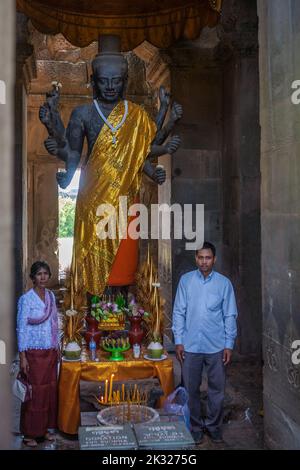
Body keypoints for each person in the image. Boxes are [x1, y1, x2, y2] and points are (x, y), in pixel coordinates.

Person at [39, 34, 182, 308]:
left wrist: (166, 128)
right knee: (92, 260)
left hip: (126, 200)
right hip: (92, 199)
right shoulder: (83, 114)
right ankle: (91, 315)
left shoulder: (136, 114)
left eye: (116, 81)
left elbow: (142, 150)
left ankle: (123, 314)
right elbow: (72, 153)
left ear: (125, 82)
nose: (110, 87)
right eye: (103, 81)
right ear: (93, 81)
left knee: (124, 260)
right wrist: (55, 140)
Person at [172, 241, 238, 444]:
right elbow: (178, 312)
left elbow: (230, 315)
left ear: (214, 259)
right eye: (200, 257)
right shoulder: (186, 281)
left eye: (208, 258)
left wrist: (229, 344)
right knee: (191, 389)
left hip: (216, 346)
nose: (204, 261)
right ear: (196, 259)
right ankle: (195, 427)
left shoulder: (224, 284)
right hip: (190, 345)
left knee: (216, 389)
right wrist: (179, 341)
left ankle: (213, 426)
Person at [17, 261, 60, 447]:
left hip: (50, 350)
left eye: (45, 273)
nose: (42, 277)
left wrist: (57, 346)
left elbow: (54, 323)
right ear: (33, 277)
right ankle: (29, 433)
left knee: (48, 391)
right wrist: (22, 356)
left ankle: (44, 430)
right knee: (34, 392)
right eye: (39, 274)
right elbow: (21, 328)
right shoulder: (26, 299)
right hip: (33, 353)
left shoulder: (51, 296)